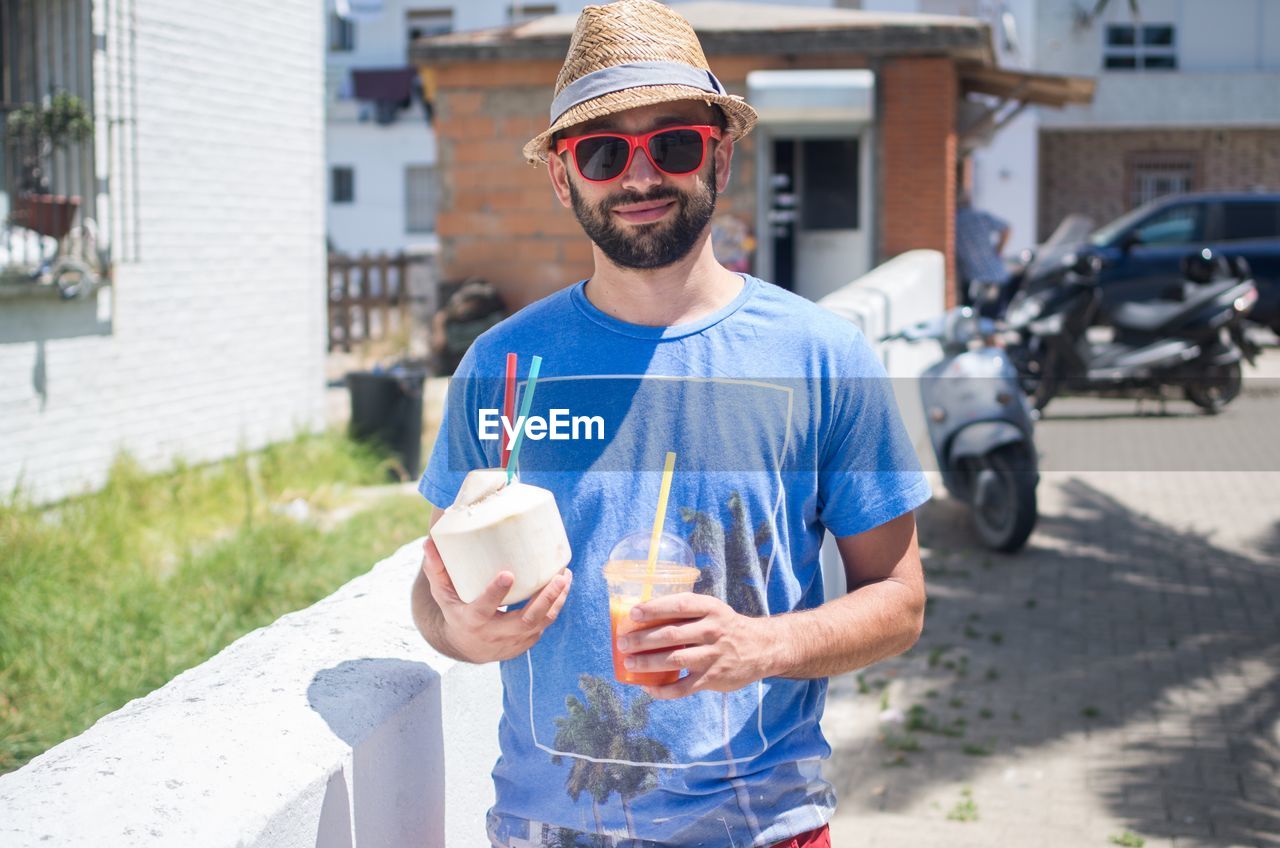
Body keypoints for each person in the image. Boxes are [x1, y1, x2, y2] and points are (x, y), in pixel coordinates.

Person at [410, 2, 931, 845]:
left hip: (763, 826)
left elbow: (900, 602)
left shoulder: (822, 358)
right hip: (546, 829)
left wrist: (758, 646)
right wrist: (459, 630)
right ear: (563, 176)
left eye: (675, 144)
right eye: (605, 151)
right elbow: (436, 593)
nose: (641, 177)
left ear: (718, 157)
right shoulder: (502, 369)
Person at [955, 190, 1012, 314]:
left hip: (974, 278)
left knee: (971, 319)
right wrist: (998, 250)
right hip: (993, 276)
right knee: (990, 320)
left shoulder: (955, 221)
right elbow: (1006, 228)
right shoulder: (980, 216)